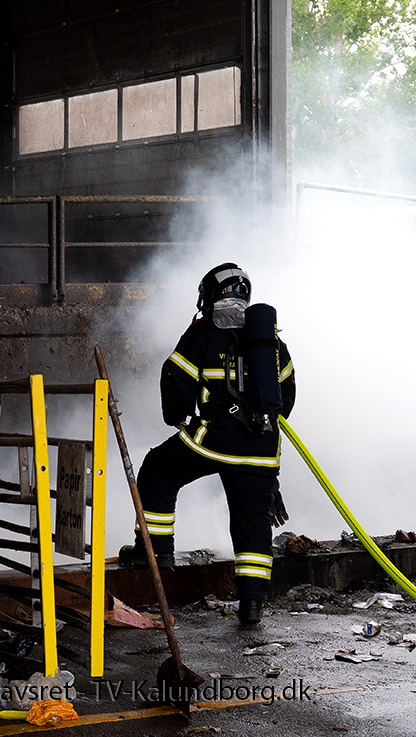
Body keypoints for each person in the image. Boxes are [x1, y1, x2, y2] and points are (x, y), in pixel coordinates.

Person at [118, 263, 296, 628]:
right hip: (261, 449)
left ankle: (157, 551)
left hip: (212, 440)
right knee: (252, 524)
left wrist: (177, 415)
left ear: (212, 293)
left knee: (158, 469)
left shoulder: (204, 331)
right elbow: (287, 398)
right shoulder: (272, 340)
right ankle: (252, 606)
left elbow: (176, 376)